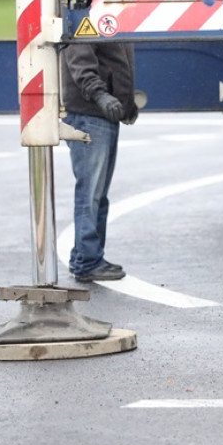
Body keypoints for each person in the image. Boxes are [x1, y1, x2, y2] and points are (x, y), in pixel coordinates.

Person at [60, 41, 137, 282]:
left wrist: (126, 103)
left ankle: (86, 256)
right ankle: (87, 260)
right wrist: (101, 96)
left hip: (102, 115)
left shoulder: (107, 19)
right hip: (90, 114)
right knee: (90, 195)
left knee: (97, 196)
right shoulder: (87, 18)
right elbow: (79, 61)